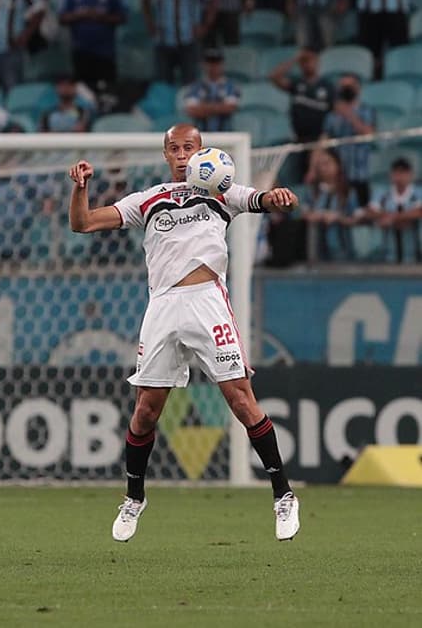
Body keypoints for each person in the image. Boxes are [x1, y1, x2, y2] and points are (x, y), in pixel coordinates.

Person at [67, 123, 301, 542]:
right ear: (165, 154)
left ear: (201, 151)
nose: (180, 154)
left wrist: (277, 197)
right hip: (163, 306)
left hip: (208, 302)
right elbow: (82, 223)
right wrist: (80, 188)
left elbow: (260, 200)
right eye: (173, 148)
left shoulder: (219, 190)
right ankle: (134, 497)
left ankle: (283, 495)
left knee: (241, 400)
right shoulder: (147, 199)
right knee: (146, 411)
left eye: (188, 147)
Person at [321, 73, 375, 207]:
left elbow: (368, 133)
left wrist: (349, 114)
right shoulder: (333, 115)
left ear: (358, 88)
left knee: (362, 210)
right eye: (343, 87)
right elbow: (324, 139)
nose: (345, 89)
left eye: (349, 86)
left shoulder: (366, 110)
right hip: (340, 174)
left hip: (361, 172)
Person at [58, 0, 127, 94]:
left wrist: (101, 17)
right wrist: (81, 15)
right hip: (80, 52)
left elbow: (122, 18)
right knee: (83, 90)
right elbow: (62, 18)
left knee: (108, 89)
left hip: (106, 53)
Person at [142, 0, 216, 84]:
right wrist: (149, 23)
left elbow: (213, 1)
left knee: (190, 84)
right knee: (163, 85)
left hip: (188, 41)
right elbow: (145, 1)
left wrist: (205, 26)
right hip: (163, 42)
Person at [269, 46, 334, 145]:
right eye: (304, 61)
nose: (308, 64)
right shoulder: (297, 83)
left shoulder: (327, 86)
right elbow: (274, 76)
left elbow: (337, 111)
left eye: (311, 60)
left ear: (317, 62)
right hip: (299, 139)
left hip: (319, 140)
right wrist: (295, 59)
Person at [366, 157, 422, 263]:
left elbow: (419, 211)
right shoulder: (382, 192)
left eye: (403, 172)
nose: (400, 177)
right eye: (396, 172)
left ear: (411, 175)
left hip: (414, 254)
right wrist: (401, 218)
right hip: (388, 255)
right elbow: (371, 211)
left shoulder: (418, 192)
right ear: (390, 175)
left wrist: (393, 218)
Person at [184, 48, 240, 132]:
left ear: (222, 64)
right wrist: (219, 107)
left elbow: (231, 108)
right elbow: (192, 110)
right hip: (201, 133)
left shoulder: (230, 86)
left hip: (225, 134)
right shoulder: (195, 87)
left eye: (216, 63)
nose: (213, 66)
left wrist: (203, 107)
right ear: (203, 64)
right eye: (209, 62)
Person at [356, 0, 410, 79]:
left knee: (399, 54)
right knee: (370, 57)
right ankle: (372, 80)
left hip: (397, 9)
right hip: (369, 10)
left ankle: (399, 80)